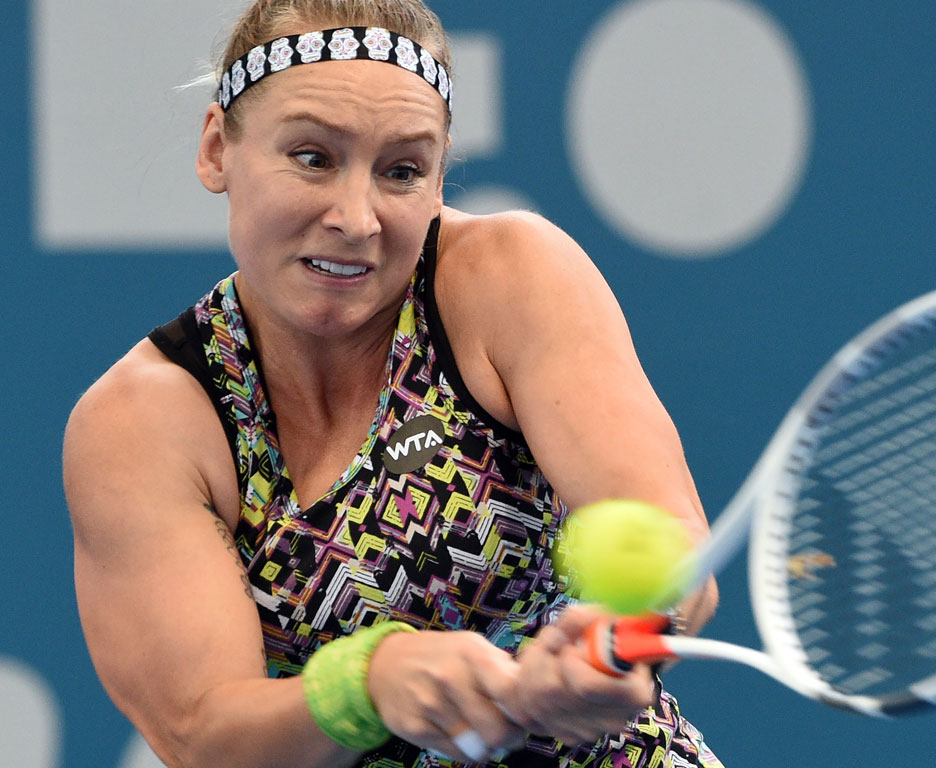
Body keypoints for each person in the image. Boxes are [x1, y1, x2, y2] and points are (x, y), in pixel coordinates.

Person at [63, 1, 722, 766]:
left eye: (402, 171)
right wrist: (363, 684)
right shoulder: (142, 423)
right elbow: (205, 737)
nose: (357, 217)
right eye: (312, 157)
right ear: (217, 150)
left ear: (439, 182)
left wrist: (618, 639)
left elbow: (669, 547)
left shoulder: (508, 276)